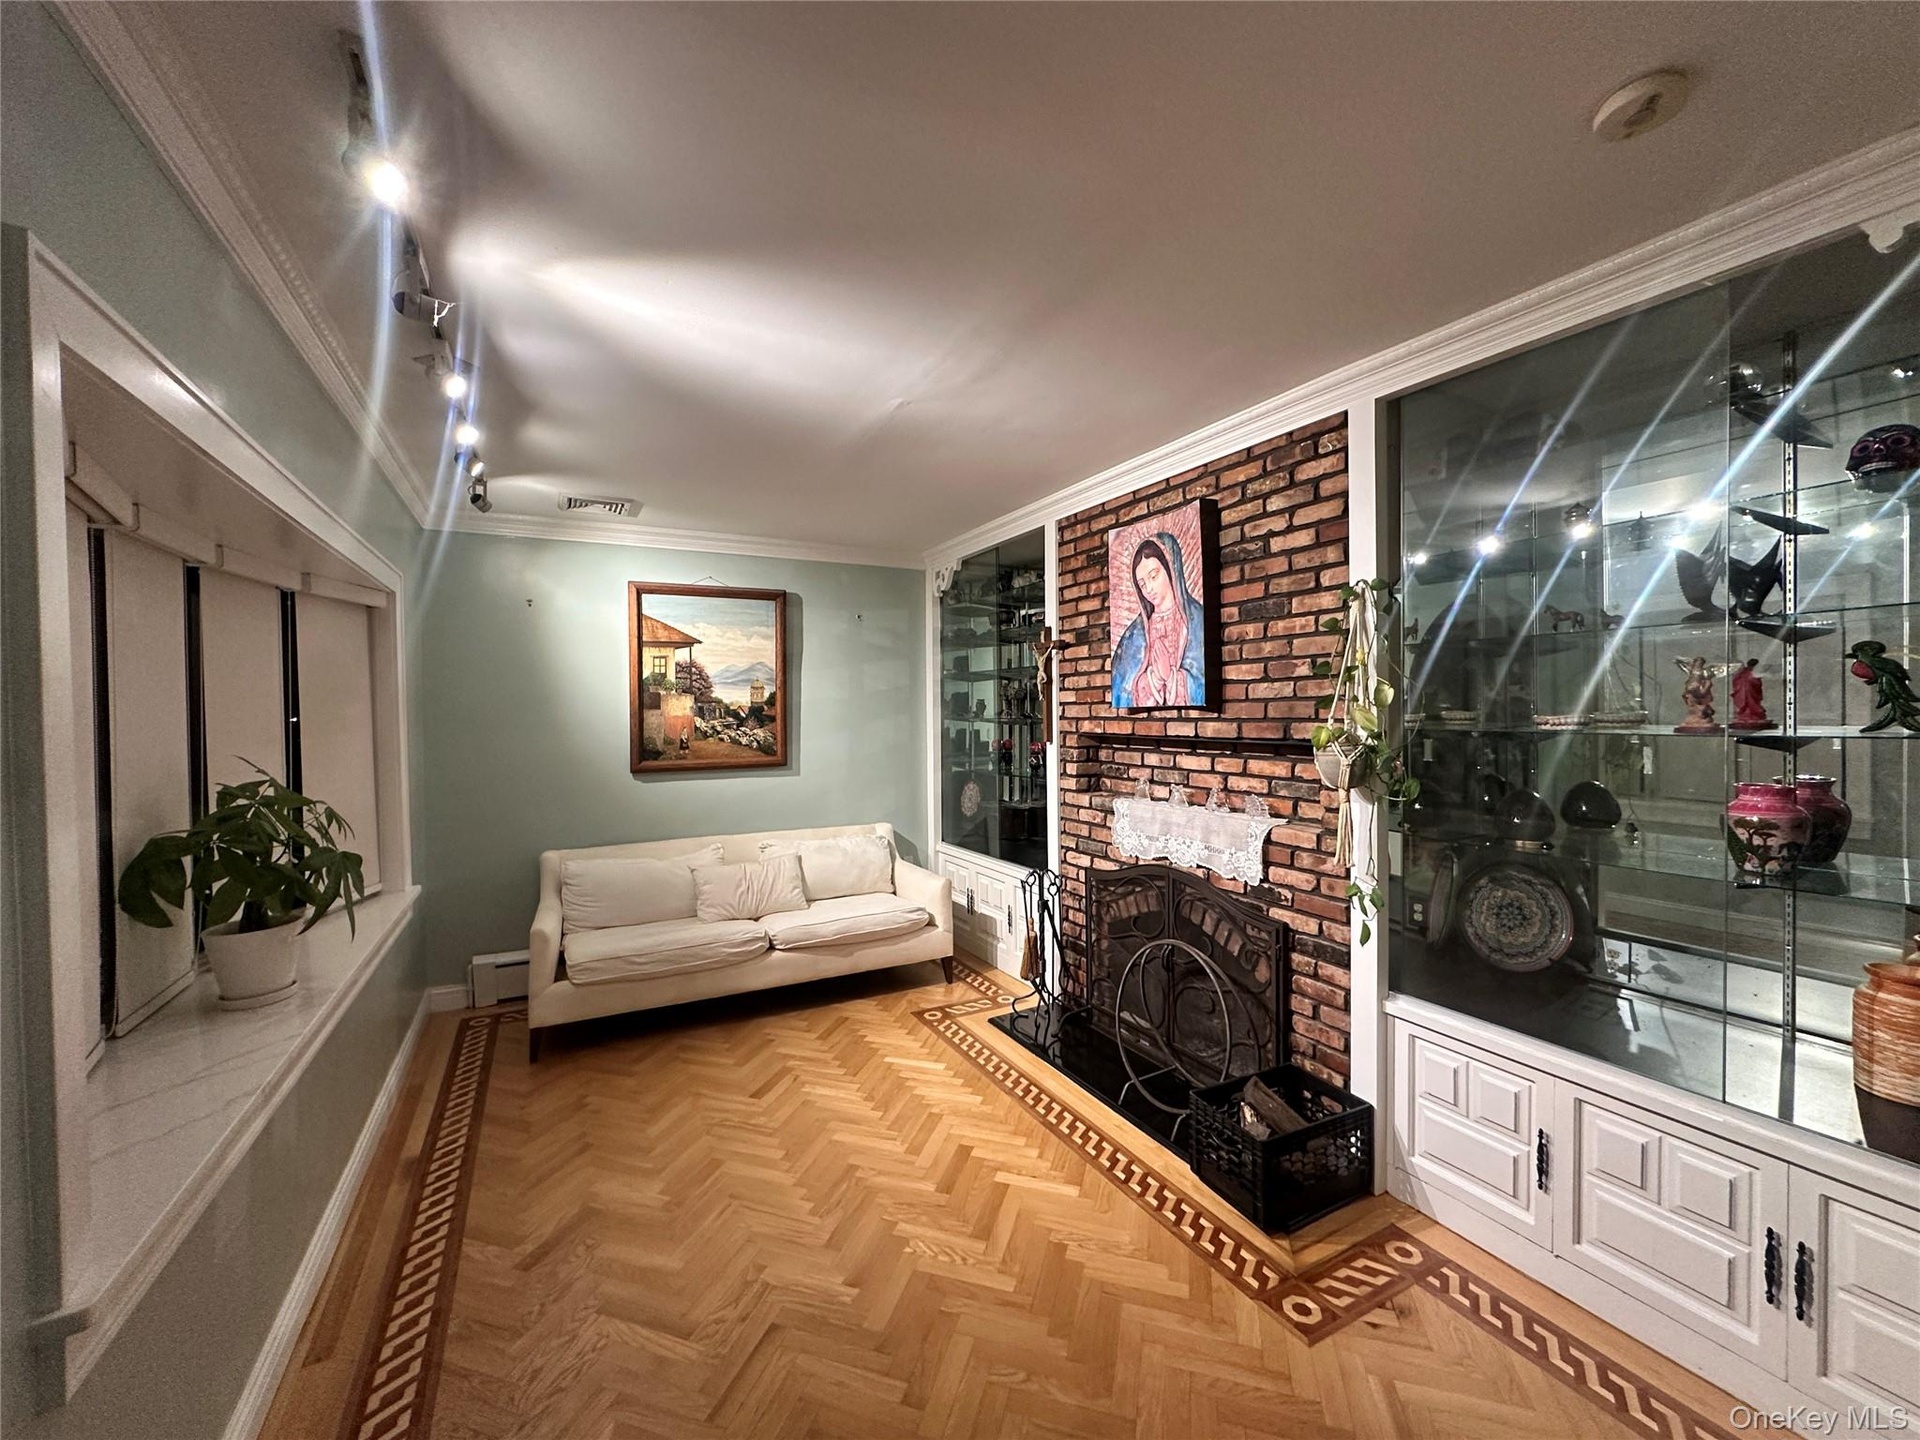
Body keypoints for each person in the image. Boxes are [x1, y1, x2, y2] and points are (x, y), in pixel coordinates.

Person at [1110, 531, 1207, 708]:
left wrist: (1171, 677)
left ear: (1171, 569)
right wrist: (1154, 679)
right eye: (1142, 584)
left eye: (1153, 576)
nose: (1148, 588)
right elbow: (1121, 688)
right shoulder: (1134, 636)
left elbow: (1203, 682)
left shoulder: (1198, 622)